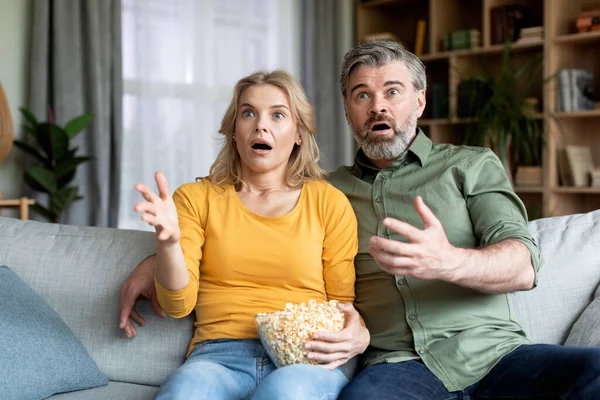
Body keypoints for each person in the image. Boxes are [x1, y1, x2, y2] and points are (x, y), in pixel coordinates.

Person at [121, 41, 600, 399]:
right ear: (348, 112)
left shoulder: (470, 165)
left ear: (420, 100)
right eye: (362, 95)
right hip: (395, 368)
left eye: (392, 91)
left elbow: (524, 265)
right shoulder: (329, 191)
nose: (379, 106)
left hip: (493, 356)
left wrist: (448, 260)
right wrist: (158, 252)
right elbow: (250, 217)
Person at [128, 70, 369, 400]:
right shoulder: (196, 198)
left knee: (286, 392)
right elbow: (177, 305)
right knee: (184, 392)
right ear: (234, 131)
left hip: (304, 359)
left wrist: (359, 333)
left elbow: (341, 305)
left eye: (278, 114)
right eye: (248, 113)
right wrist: (168, 244)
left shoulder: (328, 202)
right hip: (218, 357)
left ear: (298, 133)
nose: (261, 125)